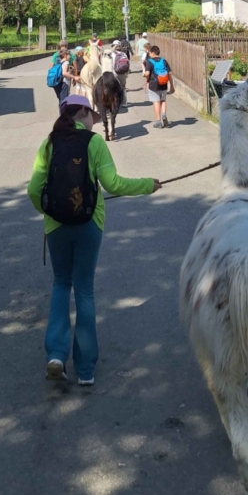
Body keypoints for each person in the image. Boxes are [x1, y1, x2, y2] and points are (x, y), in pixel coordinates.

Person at [27, 96, 161, 385]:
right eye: (92, 116)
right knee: (84, 289)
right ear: (83, 112)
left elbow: (34, 189)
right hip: (89, 224)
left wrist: (49, 211)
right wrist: (147, 185)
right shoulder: (95, 142)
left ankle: (56, 355)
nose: (94, 122)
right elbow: (113, 184)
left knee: (61, 284)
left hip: (56, 227)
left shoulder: (49, 143)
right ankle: (86, 370)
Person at [144, 45, 175, 129]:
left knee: (156, 102)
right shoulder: (163, 60)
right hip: (164, 84)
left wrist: (145, 76)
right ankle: (164, 114)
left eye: (149, 53)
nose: (149, 54)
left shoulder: (149, 61)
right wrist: (172, 86)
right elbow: (169, 74)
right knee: (163, 100)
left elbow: (147, 74)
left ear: (152, 53)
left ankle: (158, 122)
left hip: (154, 85)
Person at [110, 39, 130, 107]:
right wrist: (127, 73)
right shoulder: (123, 54)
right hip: (122, 73)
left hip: (114, 73)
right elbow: (128, 63)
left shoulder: (112, 54)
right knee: (123, 87)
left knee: (114, 88)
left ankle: (115, 103)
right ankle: (124, 103)